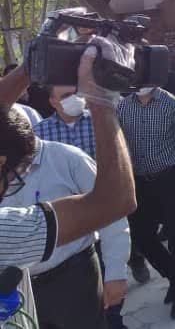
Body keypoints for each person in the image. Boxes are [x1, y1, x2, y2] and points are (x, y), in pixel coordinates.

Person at [0, 48, 136, 271]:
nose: (15, 183)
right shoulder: (8, 230)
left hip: (78, 269)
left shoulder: (66, 156)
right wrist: (101, 99)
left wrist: (31, 64)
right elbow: (114, 201)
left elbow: (114, 219)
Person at [10, 90, 130, 329]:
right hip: (21, 288)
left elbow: (110, 211)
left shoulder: (66, 159)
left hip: (74, 276)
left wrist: (116, 271)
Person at [115, 83, 175, 319]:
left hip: (170, 179)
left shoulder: (174, 105)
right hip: (139, 182)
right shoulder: (122, 107)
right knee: (141, 236)